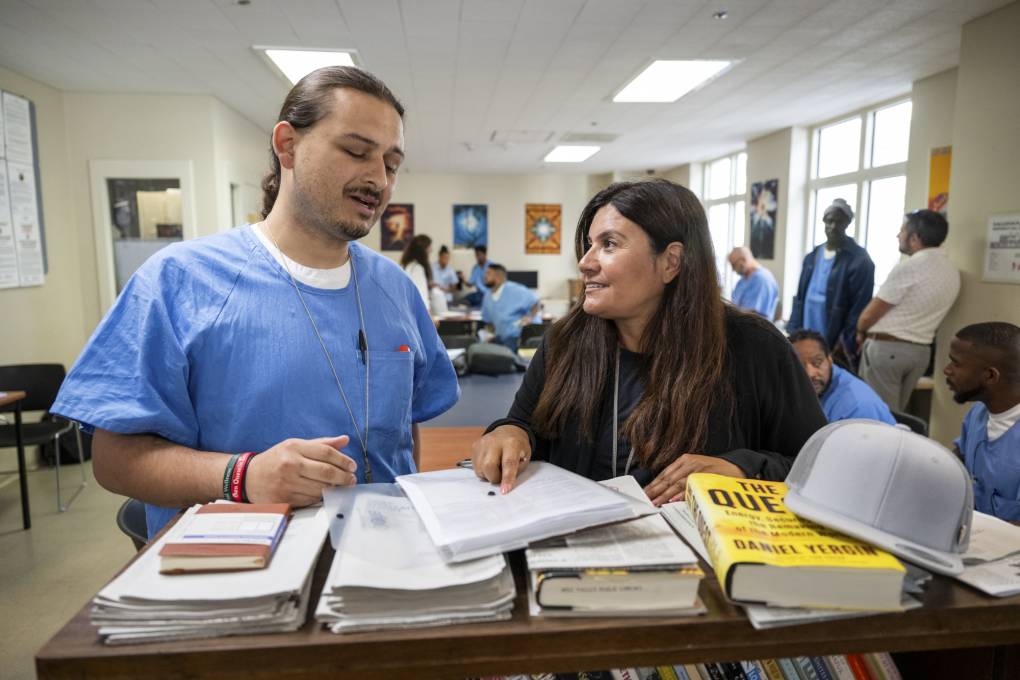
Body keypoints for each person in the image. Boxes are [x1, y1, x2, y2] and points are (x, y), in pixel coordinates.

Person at [49, 66, 459, 538]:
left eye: (391, 164)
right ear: (287, 145)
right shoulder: (179, 281)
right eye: (355, 151)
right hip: (236, 571)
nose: (378, 179)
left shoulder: (396, 290)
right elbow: (114, 461)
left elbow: (404, 433)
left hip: (379, 563)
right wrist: (241, 477)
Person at [470, 179, 826, 503]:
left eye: (609, 244)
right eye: (589, 245)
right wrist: (508, 433)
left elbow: (818, 465)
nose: (585, 262)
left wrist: (742, 468)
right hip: (575, 547)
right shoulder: (565, 342)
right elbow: (524, 424)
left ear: (671, 261)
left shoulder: (754, 348)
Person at [857, 209, 960, 410]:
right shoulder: (951, 270)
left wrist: (860, 330)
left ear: (914, 239)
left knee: (877, 415)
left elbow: (870, 314)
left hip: (888, 351)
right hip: (920, 352)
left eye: (902, 230)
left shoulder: (911, 266)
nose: (898, 235)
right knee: (896, 414)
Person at [944, 322, 1020, 521]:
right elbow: (956, 460)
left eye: (956, 363)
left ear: (990, 376)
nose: (947, 370)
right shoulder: (978, 413)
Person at [788, 199, 874, 367]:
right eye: (829, 221)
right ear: (823, 222)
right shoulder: (812, 256)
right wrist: (793, 330)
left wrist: (843, 341)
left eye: (839, 221)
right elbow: (800, 297)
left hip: (835, 339)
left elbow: (859, 307)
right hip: (806, 331)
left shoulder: (859, 259)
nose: (833, 226)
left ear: (848, 223)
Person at [789, 330, 895, 425]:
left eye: (817, 363)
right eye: (799, 367)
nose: (810, 374)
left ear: (830, 360)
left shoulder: (855, 408)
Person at [481, 263, 540, 352]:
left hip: (515, 336)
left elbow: (535, 302)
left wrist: (530, 317)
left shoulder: (515, 290)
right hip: (499, 336)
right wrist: (489, 334)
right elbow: (489, 321)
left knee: (505, 357)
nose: (485, 276)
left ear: (499, 276)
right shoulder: (487, 296)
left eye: (488, 273)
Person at [728, 246, 779, 319]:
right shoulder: (742, 281)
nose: (733, 269)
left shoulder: (762, 280)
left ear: (743, 260)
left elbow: (754, 315)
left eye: (734, 265)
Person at [400, 234, 433, 310]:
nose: (431, 251)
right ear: (423, 251)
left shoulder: (406, 265)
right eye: (429, 250)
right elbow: (422, 297)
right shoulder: (417, 269)